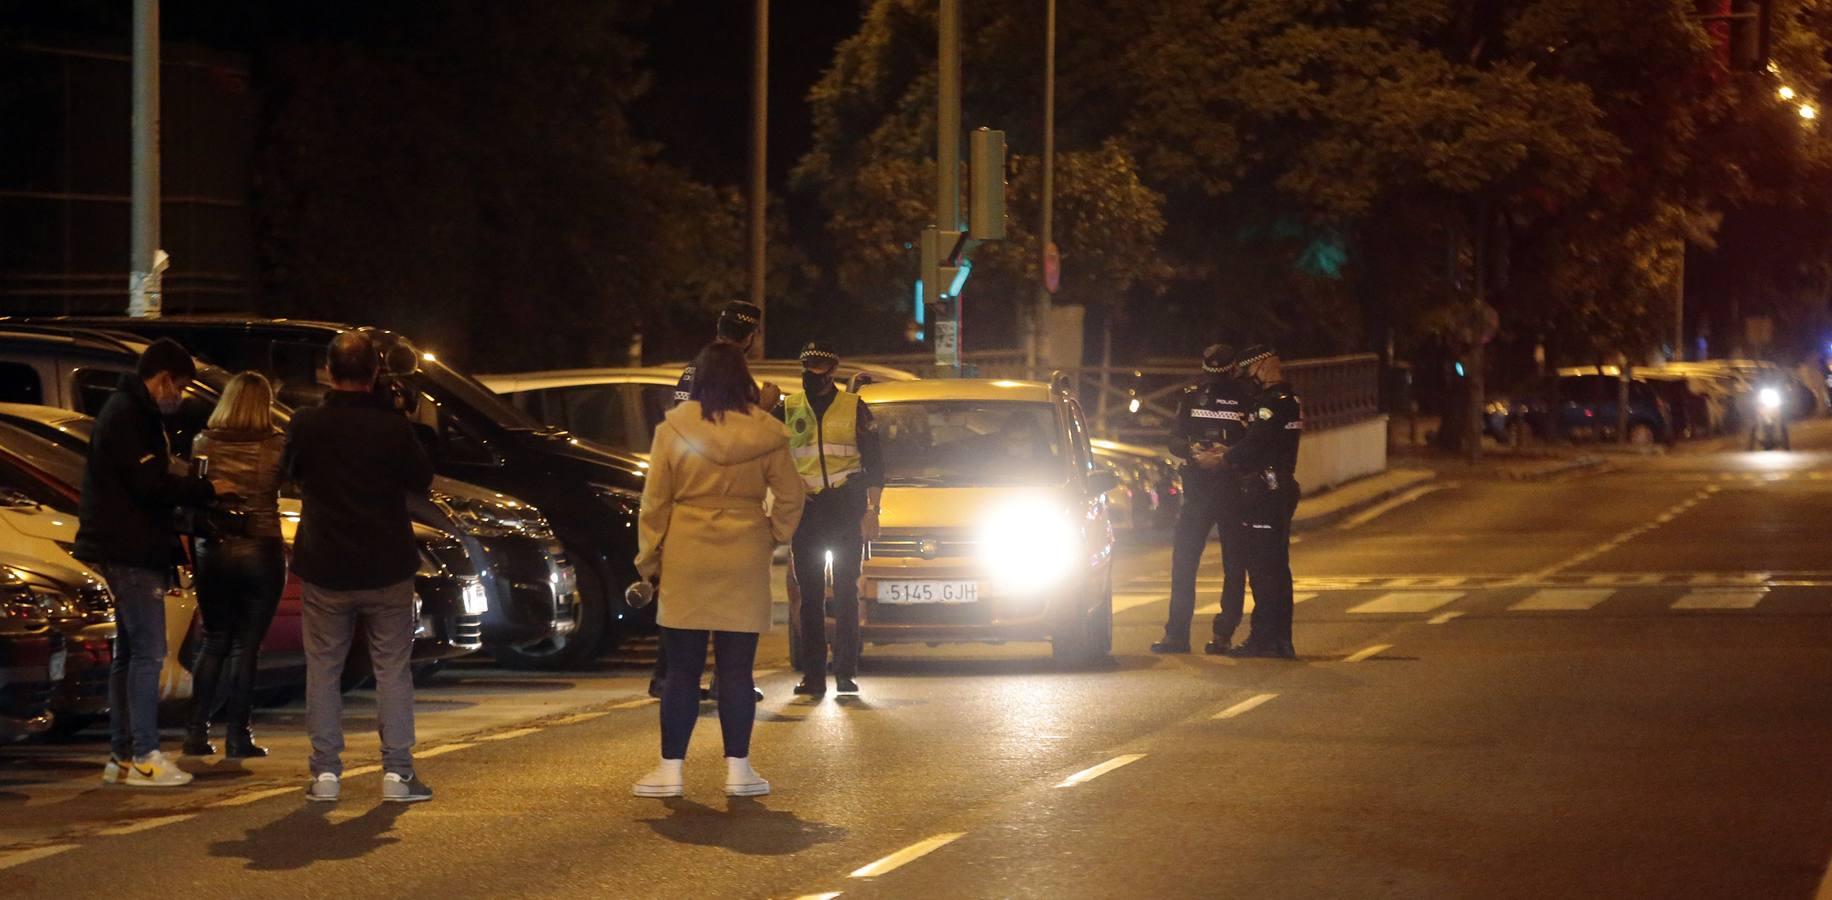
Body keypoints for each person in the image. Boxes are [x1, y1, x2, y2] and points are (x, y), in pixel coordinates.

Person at [632, 342, 805, 798]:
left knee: (683, 672)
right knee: (736, 672)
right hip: (744, 551)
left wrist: (649, 561)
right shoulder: (766, 432)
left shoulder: (673, 430)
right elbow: (791, 495)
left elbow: (654, 504)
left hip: (687, 552)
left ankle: (671, 772)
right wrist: (772, 533)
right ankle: (739, 771)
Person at [286, 333, 436, 803]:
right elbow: (421, 479)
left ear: (329, 372)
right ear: (374, 373)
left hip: (326, 563)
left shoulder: (306, 424)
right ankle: (397, 773)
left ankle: (326, 774)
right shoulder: (391, 427)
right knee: (392, 669)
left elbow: (289, 473)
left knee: (324, 669)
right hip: (386, 563)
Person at [78, 339, 219, 788]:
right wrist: (201, 489)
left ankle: (121, 756)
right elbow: (149, 485)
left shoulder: (128, 411)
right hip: (131, 548)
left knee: (130, 654)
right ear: (162, 380)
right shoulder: (130, 416)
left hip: (122, 545)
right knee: (148, 654)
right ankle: (145, 755)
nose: (178, 396)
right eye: (178, 387)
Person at [651, 300, 779, 702]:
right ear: (751, 336)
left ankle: (670, 677)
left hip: (686, 499)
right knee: (731, 599)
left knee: (684, 601)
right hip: (718, 500)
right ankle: (725, 681)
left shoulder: (697, 367)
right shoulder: (729, 374)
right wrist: (765, 409)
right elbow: (725, 429)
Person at [184, 372, 288, 759]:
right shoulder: (277, 444)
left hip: (213, 546)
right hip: (261, 544)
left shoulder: (203, 442)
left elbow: (194, 493)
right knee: (247, 647)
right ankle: (238, 735)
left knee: (214, 640)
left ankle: (196, 732)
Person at [784, 342, 883, 698]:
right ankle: (812, 676)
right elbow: (776, 458)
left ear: (833, 371)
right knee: (809, 596)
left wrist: (872, 511)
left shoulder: (854, 407)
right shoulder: (789, 407)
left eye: (820, 368)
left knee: (845, 592)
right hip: (807, 511)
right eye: (807, 367)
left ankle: (844, 672)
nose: (813, 374)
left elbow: (875, 463)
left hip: (845, 507)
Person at [1153, 344, 1253, 655]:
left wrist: (1227, 456)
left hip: (1232, 487)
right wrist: (1193, 451)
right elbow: (1174, 439)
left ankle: (1222, 634)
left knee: (1233, 564)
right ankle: (1178, 634)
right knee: (1185, 563)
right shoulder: (1193, 395)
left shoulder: (1246, 397)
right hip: (1198, 489)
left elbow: (1255, 441)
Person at [1223, 345, 1303, 660]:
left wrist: (1224, 458)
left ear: (1267, 366)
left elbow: (1256, 443)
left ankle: (1263, 638)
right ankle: (1280, 639)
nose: (1251, 378)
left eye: (1253, 370)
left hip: (1264, 491)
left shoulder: (1271, 405)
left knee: (1262, 570)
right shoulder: (1291, 401)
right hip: (1280, 487)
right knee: (1278, 569)